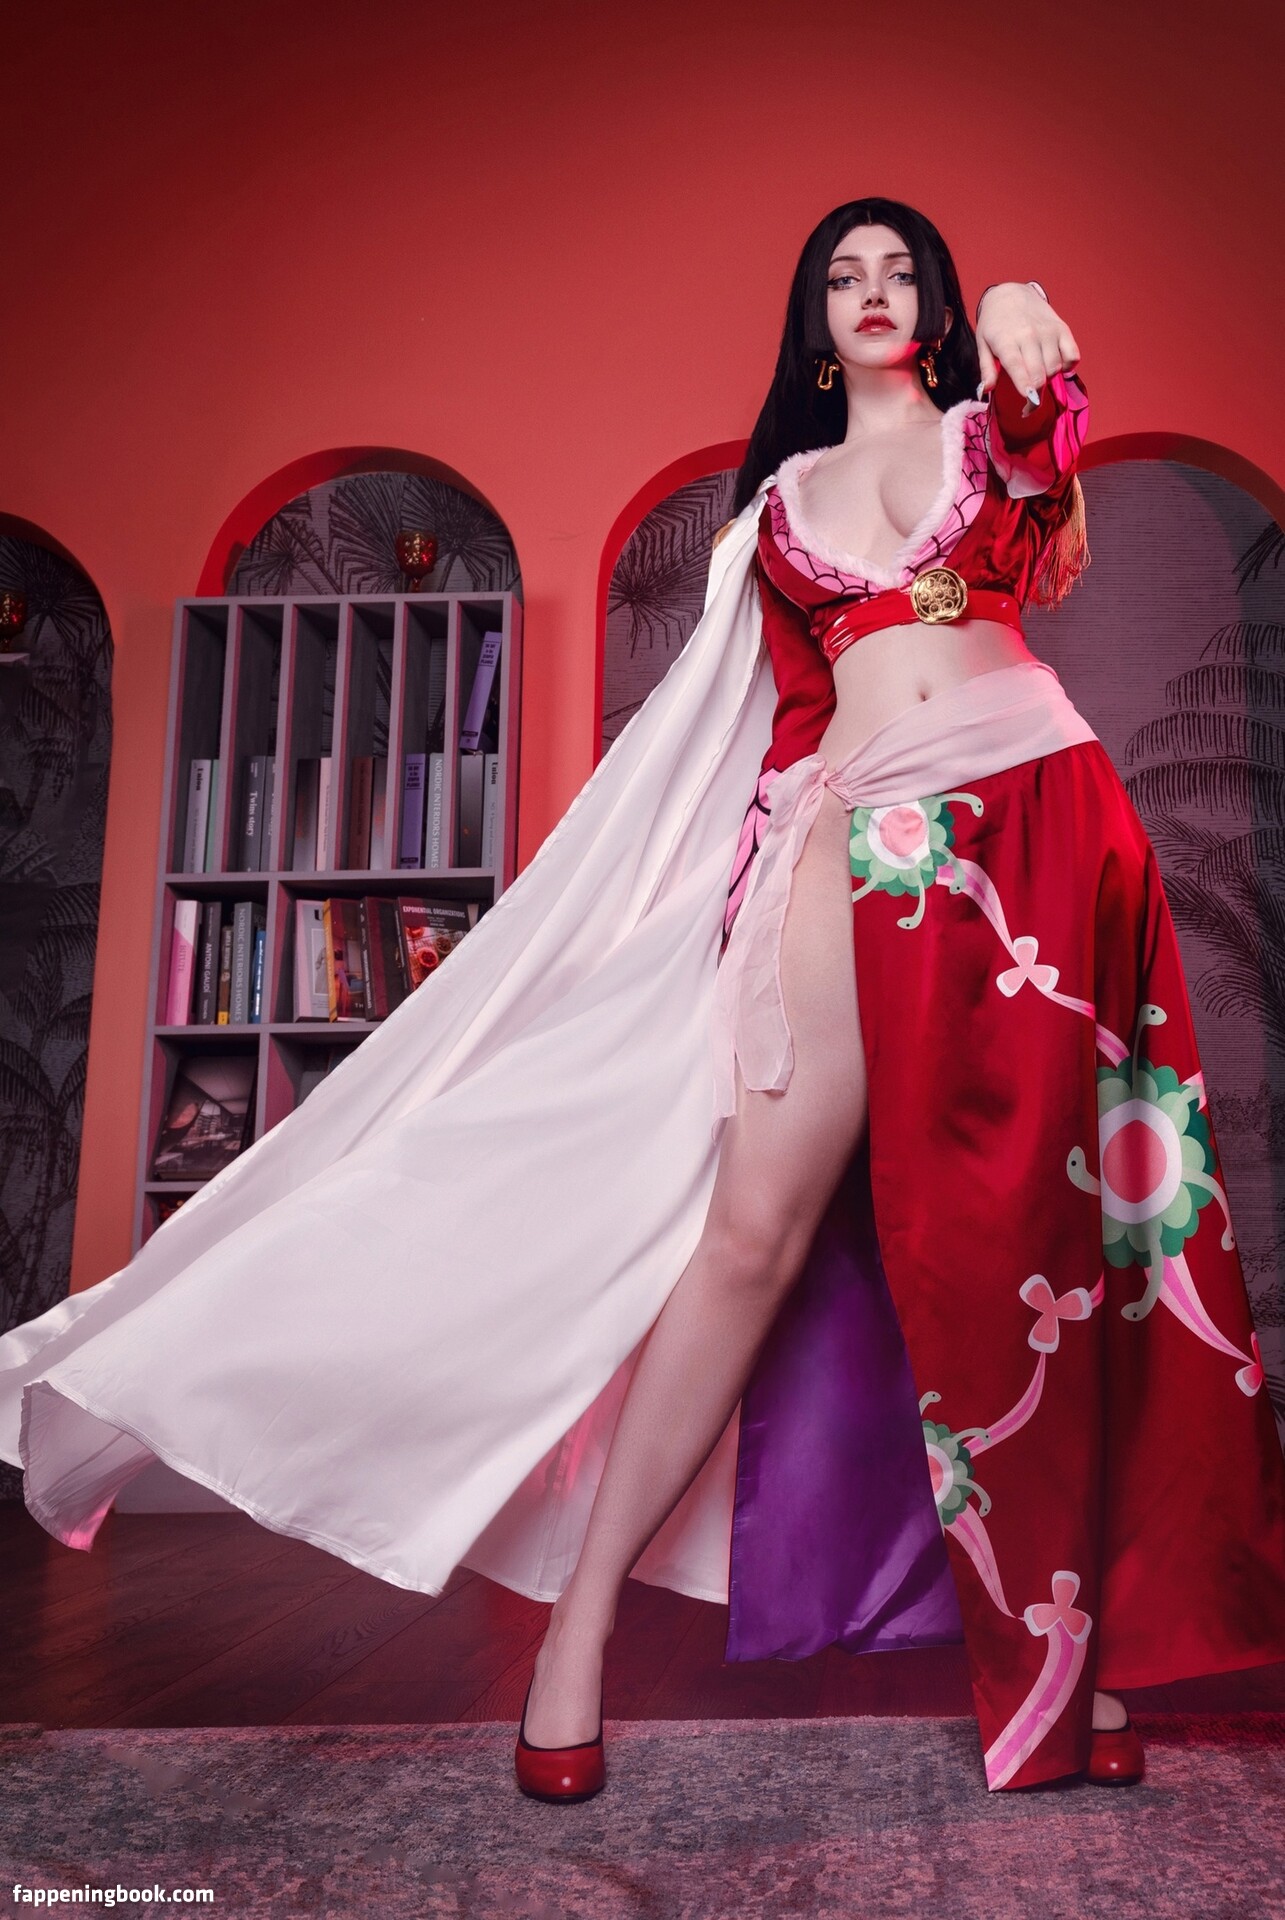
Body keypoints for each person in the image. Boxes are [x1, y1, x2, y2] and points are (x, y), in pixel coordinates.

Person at [3, 199, 1284, 1805]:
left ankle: (1068, 1658)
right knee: (747, 1235)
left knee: (1055, 1238)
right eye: (843, 275)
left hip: (1042, 822)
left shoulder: (986, 434)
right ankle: (578, 1634)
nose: (872, 292)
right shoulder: (776, 511)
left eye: (901, 272)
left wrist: (1029, 312)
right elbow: (778, 722)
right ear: (811, 320)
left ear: (940, 307)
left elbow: (1039, 474)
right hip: (855, 837)